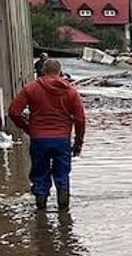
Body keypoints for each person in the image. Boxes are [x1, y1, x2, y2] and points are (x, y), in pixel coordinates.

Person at [8, 59, 87, 211]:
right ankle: (64, 212)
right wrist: (78, 143)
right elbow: (80, 119)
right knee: (62, 174)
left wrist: (27, 128)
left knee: (39, 174)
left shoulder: (31, 88)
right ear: (60, 72)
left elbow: (14, 111)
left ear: (43, 71)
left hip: (39, 139)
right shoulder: (70, 91)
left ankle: (41, 209)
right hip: (62, 139)